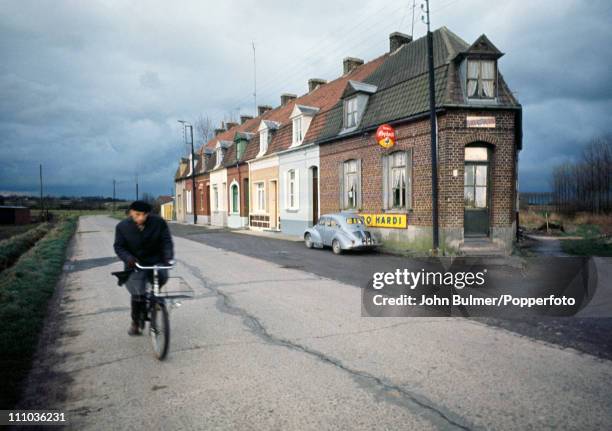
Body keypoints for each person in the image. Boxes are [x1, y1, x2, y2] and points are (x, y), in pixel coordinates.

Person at [113, 200, 174, 336]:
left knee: (162, 277)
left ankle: (154, 298)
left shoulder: (158, 223)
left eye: (144, 215)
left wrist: (168, 257)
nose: (141, 218)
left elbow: (166, 241)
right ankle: (135, 323)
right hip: (135, 263)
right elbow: (119, 247)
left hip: (155, 261)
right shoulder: (122, 227)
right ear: (131, 213)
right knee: (137, 294)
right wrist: (129, 259)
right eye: (137, 214)